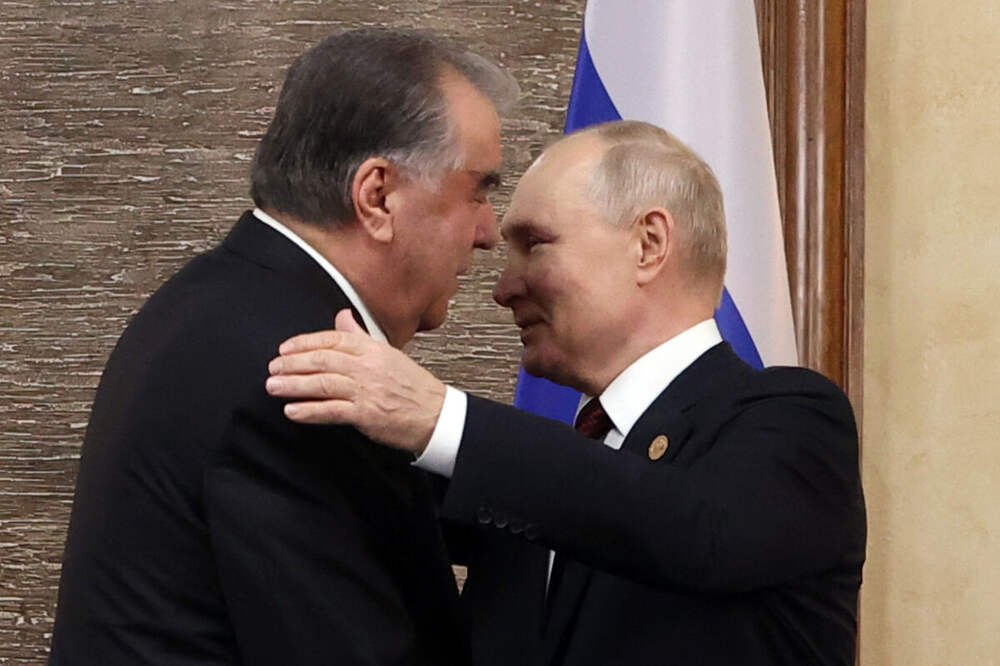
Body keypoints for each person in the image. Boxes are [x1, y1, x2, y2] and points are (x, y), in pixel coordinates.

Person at [266, 121, 867, 666]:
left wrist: (440, 418)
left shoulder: (793, 420)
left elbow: (698, 532)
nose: (503, 287)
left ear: (649, 244)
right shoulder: (534, 479)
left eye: (536, 244)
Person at [49, 29, 517, 665]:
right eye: (478, 191)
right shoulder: (305, 376)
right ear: (378, 196)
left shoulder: (218, 301)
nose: (490, 232)